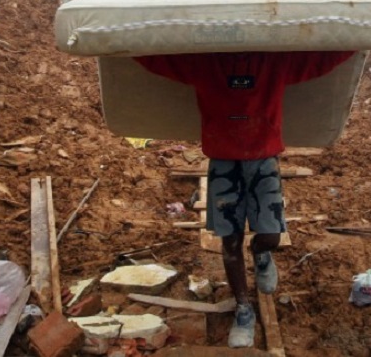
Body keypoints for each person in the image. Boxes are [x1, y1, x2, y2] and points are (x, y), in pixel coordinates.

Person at [134, 50, 355, 348]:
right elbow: (158, 60)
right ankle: (243, 309)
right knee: (230, 240)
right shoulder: (205, 64)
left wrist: (364, 38)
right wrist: (119, 43)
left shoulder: (274, 62)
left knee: (271, 235)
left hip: (264, 160)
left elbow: (319, 61)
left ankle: (262, 255)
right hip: (224, 163)